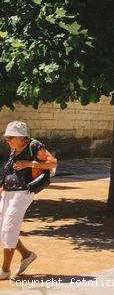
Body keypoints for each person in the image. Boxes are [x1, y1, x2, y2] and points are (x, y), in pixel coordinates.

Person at [1, 120, 57, 280]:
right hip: (8, 192)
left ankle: (5, 270)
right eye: (7, 137)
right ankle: (26, 255)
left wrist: (28, 163)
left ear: (21, 137)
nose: (8, 140)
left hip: (23, 191)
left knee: (10, 228)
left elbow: (53, 163)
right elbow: (11, 172)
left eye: (10, 137)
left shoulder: (34, 145)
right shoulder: (14, 149)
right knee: (2, 229)